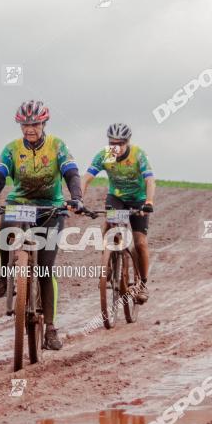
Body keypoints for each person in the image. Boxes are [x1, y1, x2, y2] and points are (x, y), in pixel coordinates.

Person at [0, 100, 83, 350]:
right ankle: (4, 277)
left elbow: (72, 173)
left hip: (50, 207)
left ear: (44, 123)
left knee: (44, 268)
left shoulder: (57, 146)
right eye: (25, 125)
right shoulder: (12, 148)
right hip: (20, 202)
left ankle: (51, 328)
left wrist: (76, 198)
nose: (29, 129)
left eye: (34, 124)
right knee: (5, 227)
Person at [83, 123, 155, 303]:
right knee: (108, 223)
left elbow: (150, 180)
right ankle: (107, 260)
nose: (116, 147)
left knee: (140, 242)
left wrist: (149, 202)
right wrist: (78, 198)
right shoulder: (106, 155)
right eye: (112, 143)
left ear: (127, 142)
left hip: (138, 199)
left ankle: (143, 284)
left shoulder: (138, 154)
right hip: (116, 197)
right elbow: (86, 178)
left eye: (120, 144)